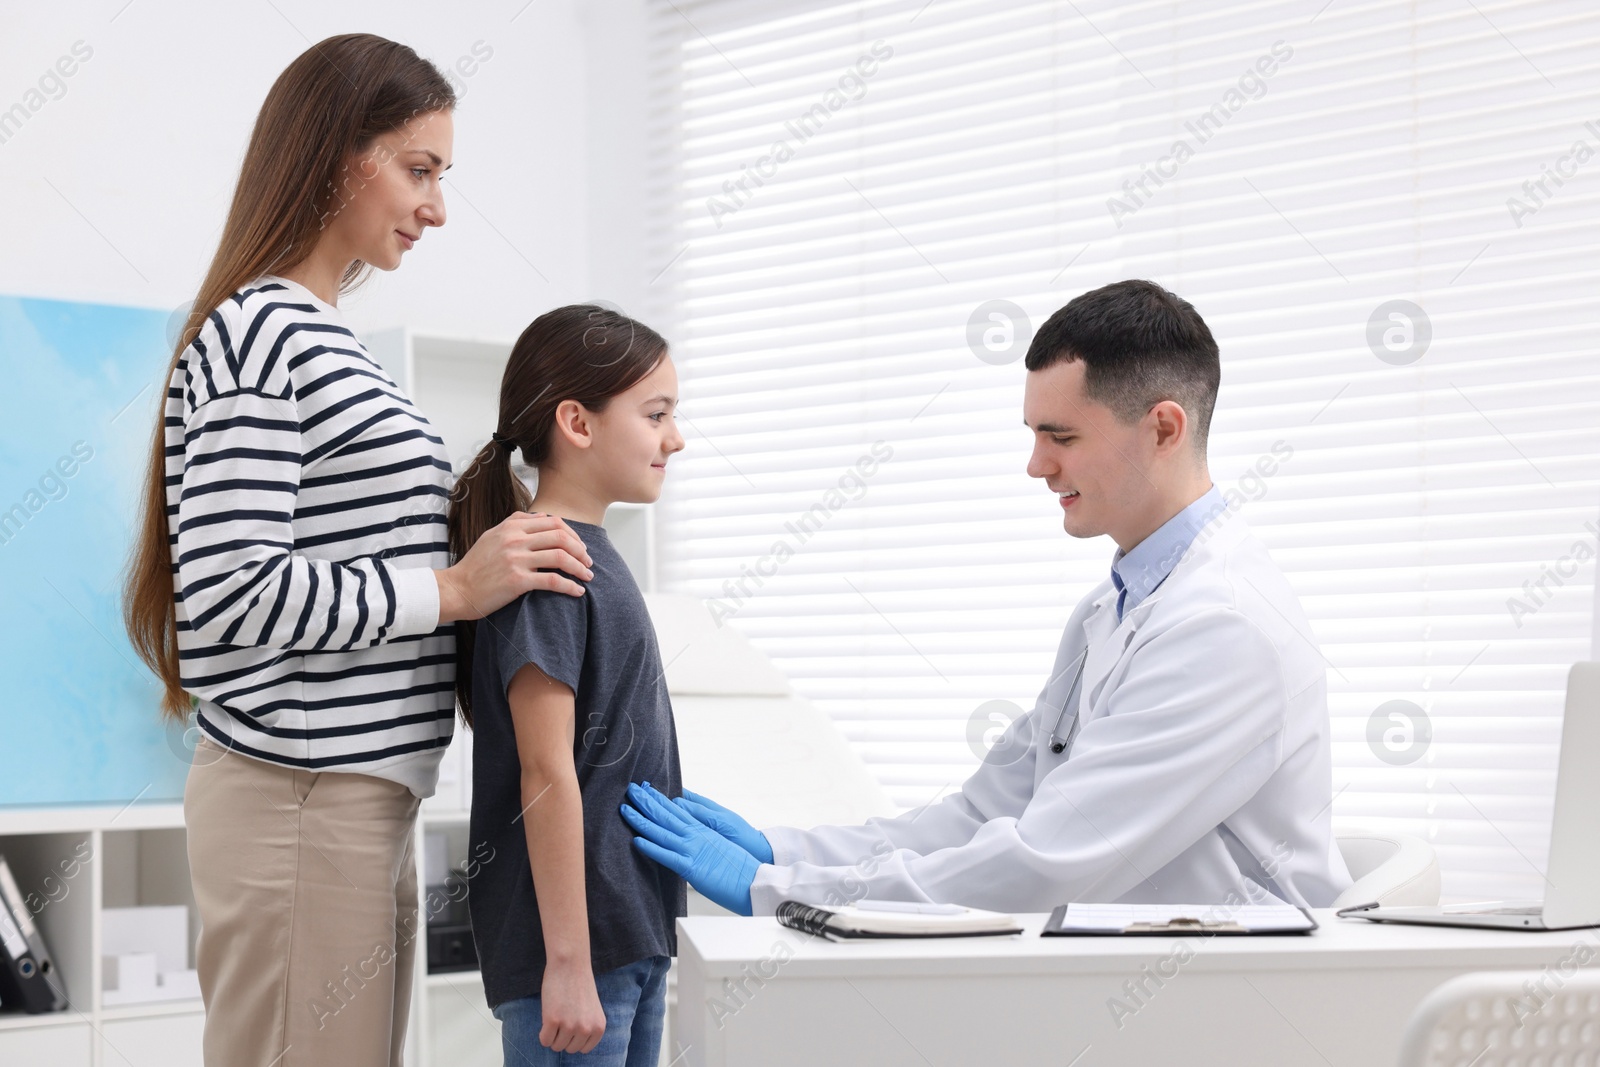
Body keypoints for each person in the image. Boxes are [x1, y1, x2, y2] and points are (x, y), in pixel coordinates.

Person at [120, 34, 593, 1067]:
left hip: (355, 796)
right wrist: (454, 589)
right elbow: (229, 590)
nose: (435, 206)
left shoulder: (328, 340)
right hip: (300, 796)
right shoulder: (261, 334)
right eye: (418, 169)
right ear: (339, 156)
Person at [622, 279, 1353, 916]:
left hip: (1239, 1000)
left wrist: (778, 888)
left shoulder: (1223, 623)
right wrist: (780, 849)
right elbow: (985, 811)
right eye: (1034, 434)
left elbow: (1047, 860)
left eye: (1059, 435)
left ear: (1163, 426)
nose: (1037, 465)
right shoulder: (1113, 608)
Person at [449, 305, 687, 1065]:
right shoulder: (549, 566)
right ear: (577, 423)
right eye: (656, 415)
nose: (674, 438)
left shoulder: (591, 552)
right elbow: (546, 769)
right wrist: (568, 963)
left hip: (627, 937)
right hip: (582, 956)